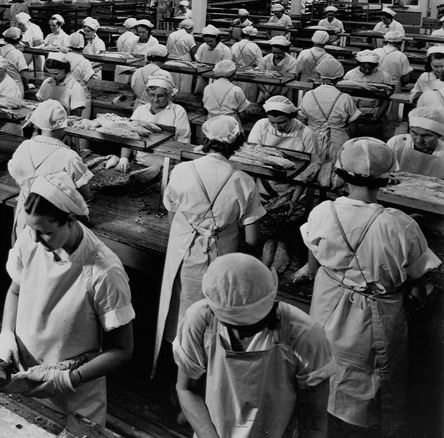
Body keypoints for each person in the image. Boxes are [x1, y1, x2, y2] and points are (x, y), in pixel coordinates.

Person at [296, 137, 441, 437]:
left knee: (324, 372)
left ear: (340, 174)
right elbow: (417, 286)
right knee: (370, 385)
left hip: (327, 307)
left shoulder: (323, 212)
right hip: (375, 319)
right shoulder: (400, 225)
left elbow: (312, 268)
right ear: (388, 178)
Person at [0, 171, 135, 426]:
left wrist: (68, 379)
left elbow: (122, 350)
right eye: (31, 228)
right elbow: (16, 290)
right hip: (25, 372)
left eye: (45, 232)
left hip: (75, 394)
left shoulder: (104, 271)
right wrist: (6, 334)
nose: (35, 238)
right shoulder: (31, 238)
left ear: (70, 220)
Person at [153, 115, 265, 376]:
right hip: (221, 259)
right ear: (237, 144)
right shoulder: (243, 181)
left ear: (205, 140)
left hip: (184, 254)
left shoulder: (182, 170)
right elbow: (251, 239)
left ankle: (179, 374)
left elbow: (173, 218)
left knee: (181, 309)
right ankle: (204, 376)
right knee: (212, 316)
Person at [176, 253, 334, 438]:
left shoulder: (304, 334)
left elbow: (314, 423)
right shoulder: (200, 319)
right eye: (231, 325)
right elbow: (186, 388)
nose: (240, 334)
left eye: (251, 326)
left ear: (270, 306)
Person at [7, 100, 92, 240]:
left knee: (26, 256)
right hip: (52, 224)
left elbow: (16, 174)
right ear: (62, 126)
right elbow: (86, 195)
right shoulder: (69, 156)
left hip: (25, 216)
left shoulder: (25, 146)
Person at [249, 96, 321, 198]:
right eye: (272, 122)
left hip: (291, 190)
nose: (277, 127)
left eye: (282, 122)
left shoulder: (306, 134)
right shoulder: (261, 126)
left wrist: (294, 199)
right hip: (261, 188)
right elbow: (251, 160)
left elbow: (310, 169)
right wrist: (252, 193)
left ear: (292, 117)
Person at [118, 73, 189, 171]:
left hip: (167, 167)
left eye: (160, 96)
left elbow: (183, 143)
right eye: (152, 95)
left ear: (168, 94)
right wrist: (124, 159)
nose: (155, 100)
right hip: (140, 164)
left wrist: (175, 168)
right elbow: (128, 136)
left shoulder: (178, 112)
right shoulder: (141, 110)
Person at [299, 58, 360, 162]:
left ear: (319, 75)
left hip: (313, 140)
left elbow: (302, 122)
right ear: (340, 78)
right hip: (339, 141)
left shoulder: (309, 95)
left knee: (312, 168)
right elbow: (353, 127)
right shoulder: (345, 97)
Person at [386, 106, 444, 178]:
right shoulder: (397, 143)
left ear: (439, 136)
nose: (418, 140)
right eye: (414, 133)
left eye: (426, 136)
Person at [343, 50, 393, 121]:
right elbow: (345, 98)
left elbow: (386, 100)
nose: (367, 71)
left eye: (370, 69)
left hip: (376, 111)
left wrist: (377, 118)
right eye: (364, 68)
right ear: (359, 64)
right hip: (354, 111)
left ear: (377, 65)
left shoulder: (384, 77)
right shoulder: (350, 75)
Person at [37, 52, 87, 117]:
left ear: (65, 70)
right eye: (50, 73)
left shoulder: (75, 87)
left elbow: (76, 116)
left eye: (56, 74)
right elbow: (41, 102)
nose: (53, 77)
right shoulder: (47, 82)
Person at [116, 19, 157, 84]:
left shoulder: (153, 42)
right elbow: (129, 55)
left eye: (143, 32)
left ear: (149, 31)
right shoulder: (134, 41)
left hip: (146, 71)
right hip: (134, 69)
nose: (141, 34)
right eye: (139, 32)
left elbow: (154, 60)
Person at [194, 25, 231, 94]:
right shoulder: (202, 47)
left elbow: (227, 68)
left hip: (218, 79)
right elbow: (197, 61)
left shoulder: (225, 50)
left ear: (216, 38)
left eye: (210, 41)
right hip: (203, 77)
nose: (208, 44)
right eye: (206, 41)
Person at [130, 45, 170, 109]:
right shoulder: (165, 74)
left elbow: (134, 91)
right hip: (156, 110)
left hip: (139, 108)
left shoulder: (137, 72)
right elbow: (172, 98)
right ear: (164, 59)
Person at [231, 25, 263, 102]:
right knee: (248, 99)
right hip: (250, 76)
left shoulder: (234, 45)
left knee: (235, 99)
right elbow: (260, 64)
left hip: (236, 74)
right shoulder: (255, 47)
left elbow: (230, 61)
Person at [0, 27, 29, 95]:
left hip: (0, 86)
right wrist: (27, 87)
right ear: (19, 40)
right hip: (15, 88)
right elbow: (24, 75)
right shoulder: (18, 53)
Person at [166, 19, 196, 93]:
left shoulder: (171, 34)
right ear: (190, 28)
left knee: (173, 82)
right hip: (184, 61)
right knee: (184, 84)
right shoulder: (189, 37)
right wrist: (195, 63)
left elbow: (167, 49)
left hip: (171, 61)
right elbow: (193, 52)